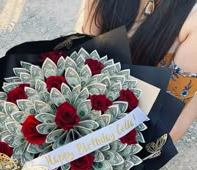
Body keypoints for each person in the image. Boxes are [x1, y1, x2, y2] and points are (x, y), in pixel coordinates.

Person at [75, 0, 197, 142]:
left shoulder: (193, 19)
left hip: (140, 128)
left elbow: (171, 115)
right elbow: (82, 59)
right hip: (87, 103)